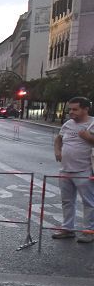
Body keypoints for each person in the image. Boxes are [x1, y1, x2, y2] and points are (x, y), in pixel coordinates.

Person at [52, 97, 94, 242]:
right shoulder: (68, 124)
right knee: (67, 201)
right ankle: (67, 229)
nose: (71, 112)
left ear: (85, 109)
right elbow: (59, 138)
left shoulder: (92, 123)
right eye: (70, 109)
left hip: (84, 170)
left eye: (75, 109)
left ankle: (89, 231)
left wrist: (89, 137)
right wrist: (57, 150)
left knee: (89, 202)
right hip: (65, 169)